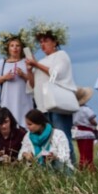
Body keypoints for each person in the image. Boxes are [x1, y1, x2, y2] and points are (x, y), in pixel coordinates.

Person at [25, 19, 77, 163]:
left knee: (63, 138)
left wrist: (35, 64)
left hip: (58, 104)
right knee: (48, 141)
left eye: (46, 40)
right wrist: (30, 70)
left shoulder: (61, 55)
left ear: (54, 42)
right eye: (40, 42)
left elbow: (56, 73)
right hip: (43, 106)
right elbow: (32, 85)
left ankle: (69, 169)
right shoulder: (41, 61)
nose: (43, 44)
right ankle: (52, 170)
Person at [0, 30, 33, 128]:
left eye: (17, 45)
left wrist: (23, 75)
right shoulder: (2, 63)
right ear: (8, 48)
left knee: (24, 127)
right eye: (12, 45)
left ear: (21, 48)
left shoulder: (26, 62)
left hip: (24, 101)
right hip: (7, 101)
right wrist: (5, 77)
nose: (15, 48)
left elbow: (33, 83)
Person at [72, 87, 97, 170]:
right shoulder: (87, 110)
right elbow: (92, 120)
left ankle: (82, 165)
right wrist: (95, 124)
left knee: (82, 151)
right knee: (88, 152)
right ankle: (90, 167)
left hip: (78, 133)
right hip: (88, 133)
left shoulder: (74, 109)